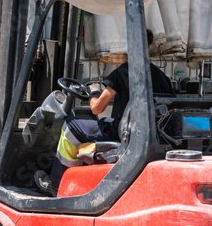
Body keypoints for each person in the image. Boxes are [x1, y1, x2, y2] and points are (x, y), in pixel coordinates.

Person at [34, 30, 174, 196]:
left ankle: (57, 185)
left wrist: (93, 92)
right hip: (150, 135)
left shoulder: (124, 72)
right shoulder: (161, 76)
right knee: (98, 123)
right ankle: (79, 178)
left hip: (123, 132)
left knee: (71, 127)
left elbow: (96, 108)